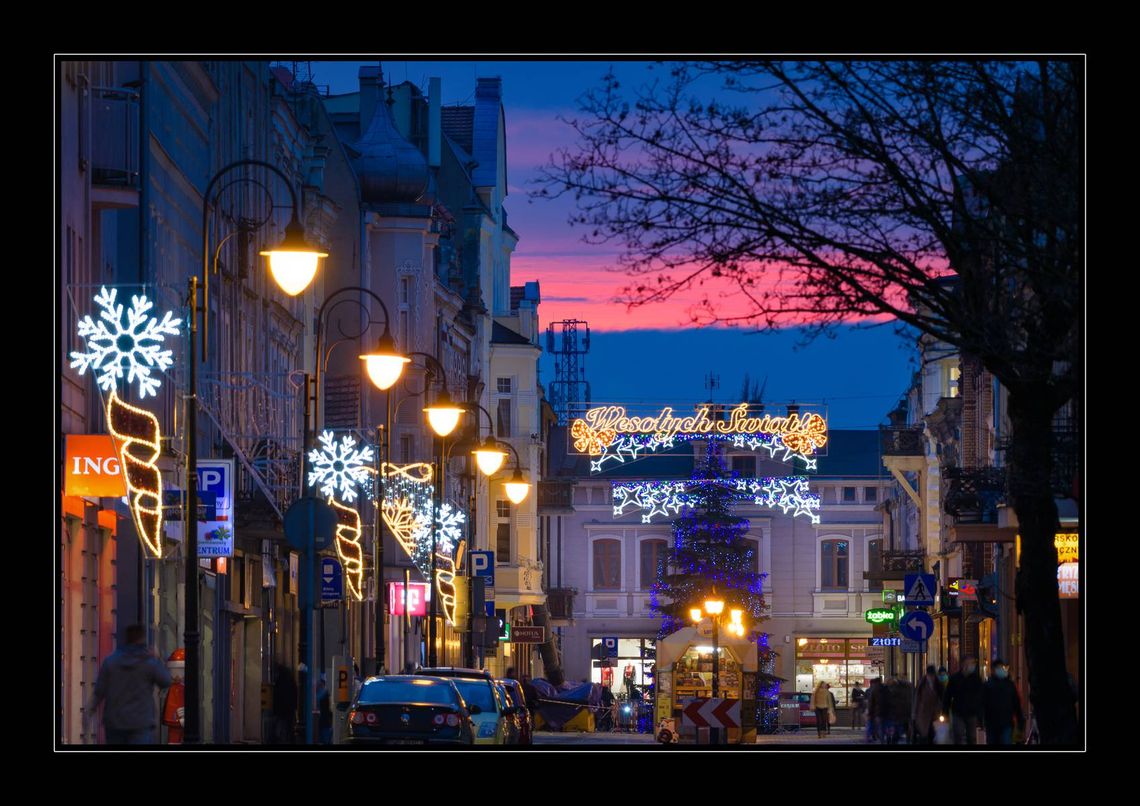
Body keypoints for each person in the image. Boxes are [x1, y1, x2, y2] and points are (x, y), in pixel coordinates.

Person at [87, 624, 172, 744]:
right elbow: (166, 681)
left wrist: (90, 711)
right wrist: (158, 659)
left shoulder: (110, 662)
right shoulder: (149, 662)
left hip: (114, 722)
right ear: (142, 639)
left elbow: (99, 691)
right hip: (141, 722)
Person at [943, 655, 984, 745]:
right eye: (971, 663)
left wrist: (980, 714)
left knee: (972, 737)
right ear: (964, 665)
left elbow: (981, 697)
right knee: (958, 735)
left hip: (972, 712)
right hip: (958, 712)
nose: (973, 665)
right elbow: (948, 695)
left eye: (973, 663)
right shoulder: (955, 679)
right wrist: (945, 712)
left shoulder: (976, 679)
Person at [982, 659, 1024, 745]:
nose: (1001, 669)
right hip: (992, 723)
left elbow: (1016, 703)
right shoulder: (987, 686)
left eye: (1002, 667)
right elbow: (982, 703)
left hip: (1006, 722)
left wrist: (1020, 719)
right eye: (999, 668)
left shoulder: (1010, 685)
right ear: (993, 670)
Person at [912, 665, 945, 745]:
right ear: (927, 675)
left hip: (935, 714)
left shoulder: (938, 684)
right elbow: (916, 699)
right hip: (923, 713)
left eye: (933, 675)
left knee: (932, 734)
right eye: (930, 675)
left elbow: (942, 698)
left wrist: (942, 710)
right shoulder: (922, 684)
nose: (932, 677)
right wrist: (913, 713)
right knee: (924, 734)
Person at [272, 663, 298, 744]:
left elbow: (276, 696)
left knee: (280, 725)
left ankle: (279, 738)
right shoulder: (290, 681)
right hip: (289, 709)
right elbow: (295, 694)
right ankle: (288, 739)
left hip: (280, 710)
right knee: (289, 726)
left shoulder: (279, 682)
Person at [866, 678, 884, 742]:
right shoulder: (885, 689)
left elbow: (871, 702)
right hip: (883, 711)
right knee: (880, 725)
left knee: (871, 724)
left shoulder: (873, 690)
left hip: (875, 711)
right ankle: (880, 738)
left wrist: (869, 712)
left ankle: (870, 736)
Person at [317, 674, 333, 745]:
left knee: (324, 729)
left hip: (324, 715)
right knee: (325, 729)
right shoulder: (325, 692)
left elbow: (318, 698)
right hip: (325, 715)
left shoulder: (323, 692)